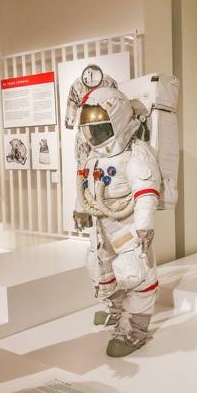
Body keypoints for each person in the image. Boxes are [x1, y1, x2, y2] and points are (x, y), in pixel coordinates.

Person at [73, 87, 162, 358]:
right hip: (102, 230)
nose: (94, 135)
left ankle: (134, 329)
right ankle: (116, 309)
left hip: (128, 229)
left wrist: (145, 226)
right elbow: (85, 187)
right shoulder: (95, 156)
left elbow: (146, 193)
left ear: (118, 121)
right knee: (99, 270)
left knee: (136, 274)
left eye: (100, 128)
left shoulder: (137, 153)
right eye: (91, 129)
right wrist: (81, 210)